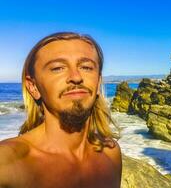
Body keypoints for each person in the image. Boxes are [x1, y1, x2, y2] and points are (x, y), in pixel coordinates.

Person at [0, 32, 122, 188]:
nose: (76, 77)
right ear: (33, 86)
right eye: (57, 68)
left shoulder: (110, 152)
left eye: (86, 67)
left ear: (98, 83)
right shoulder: (8, 164)